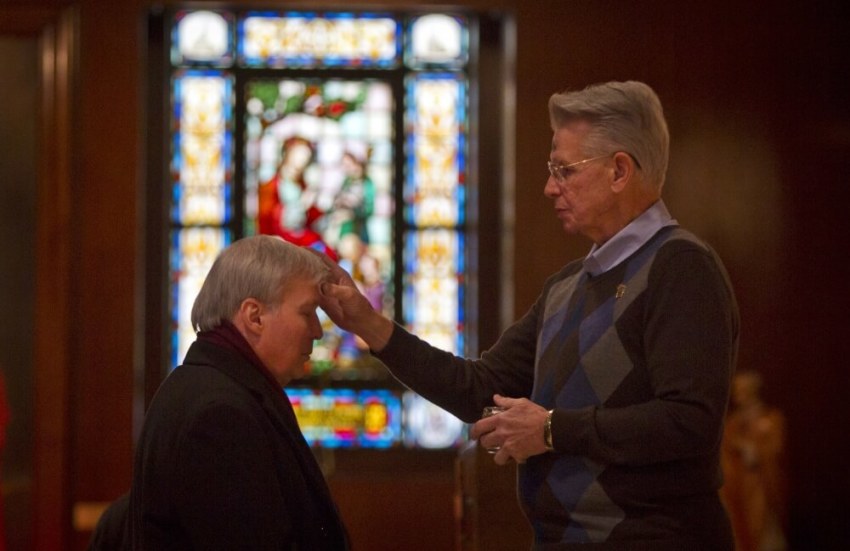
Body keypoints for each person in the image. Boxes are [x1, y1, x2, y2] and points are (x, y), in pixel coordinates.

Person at [317, 81, 740, 548]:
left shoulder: (680, 266)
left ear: (620, 171)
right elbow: (481, 391)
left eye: (565, 170)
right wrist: (368, 324)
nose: (548, 187)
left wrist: (553, 429)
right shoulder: (567, 286)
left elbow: (688, 423)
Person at [130, 235, 349, 550]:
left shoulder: (215, 388)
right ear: (255, 316)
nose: (317, 330)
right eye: (307, 312)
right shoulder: (218, 416)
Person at [721, 371, 788, 551]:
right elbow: (724, 457)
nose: (738, 394)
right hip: (737, 490)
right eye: (737, 389)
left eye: (743, 389)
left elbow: (774, 451)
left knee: (764, 533)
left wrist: (751, 450)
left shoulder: (770, 418)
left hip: (761, 487)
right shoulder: (731, 424)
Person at [257, 136, 337, 260]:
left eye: (306, 156)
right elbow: (268, 220)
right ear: (288, 154)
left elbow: (312, 219)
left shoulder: (304, 186)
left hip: (302, 242)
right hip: (280, 244)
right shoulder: (271, 187)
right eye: (298, 155)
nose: (302, 160)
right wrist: (302, 205)